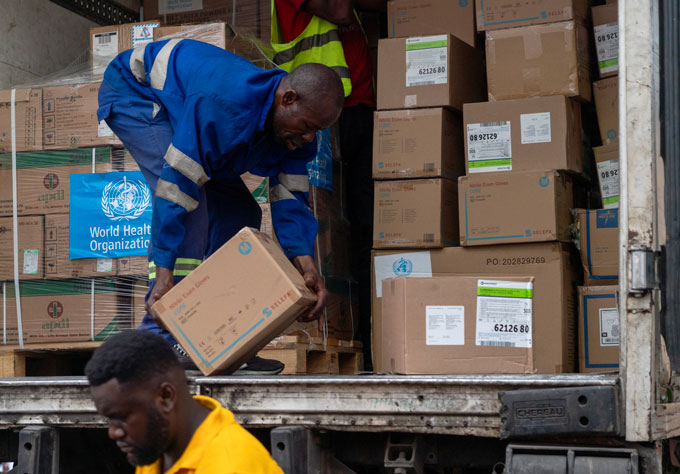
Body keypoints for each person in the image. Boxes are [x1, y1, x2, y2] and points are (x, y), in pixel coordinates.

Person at [98, 39, 345, 373]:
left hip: (188, 106)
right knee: (192, 207)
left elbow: (290, 197)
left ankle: (224, 337)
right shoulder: (224, 106)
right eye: (306, 127)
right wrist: (164, 273)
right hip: (136, 94)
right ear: (288, 99)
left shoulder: (296, 130)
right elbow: (175, 191)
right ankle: (162, 338)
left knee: (243, 213)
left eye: (315, 131)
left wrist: (306, 265)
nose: (306, 139)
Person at [271, 0, 385, 370]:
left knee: (364, 228)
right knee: (323, 222)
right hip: (317, 111)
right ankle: (323, 325)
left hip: (356, 108)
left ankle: (367, 340)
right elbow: (338, 10)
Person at [86, 330, 284, 473]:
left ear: (165, 397)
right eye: (109, 420)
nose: (113, 433)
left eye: (121, 418)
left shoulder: (231, 466)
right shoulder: (155, 449)